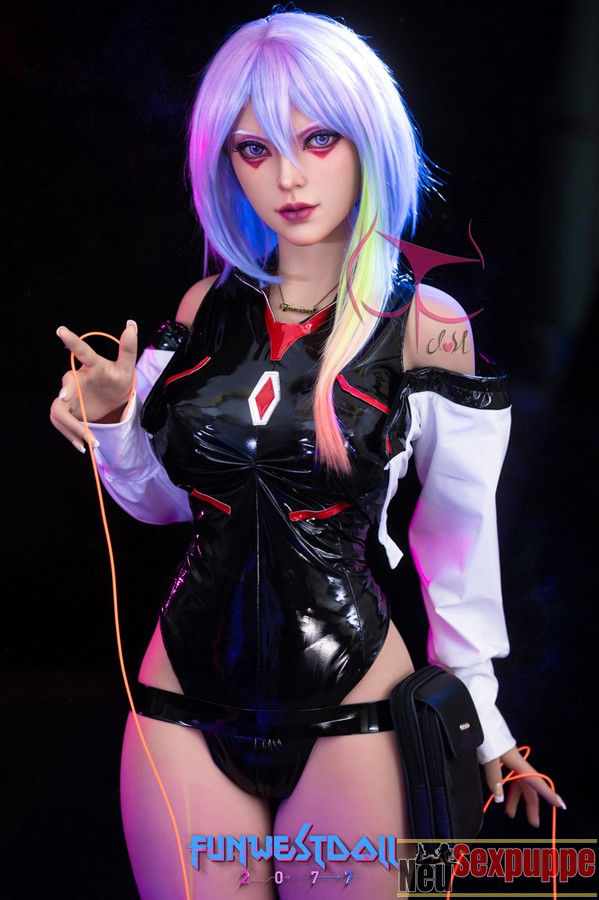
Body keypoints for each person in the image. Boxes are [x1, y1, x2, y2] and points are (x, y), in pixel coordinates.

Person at [50, 9, 564, 899]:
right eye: (254, 150)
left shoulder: (426, 326)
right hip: (179, 706)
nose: (288, 177)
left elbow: (456, 544)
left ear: (367, 138)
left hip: (355, 713)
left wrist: (483, 725)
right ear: (225, 164)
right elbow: (164, 505)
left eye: (318, 138)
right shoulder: (204, 308)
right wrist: (115, 423)